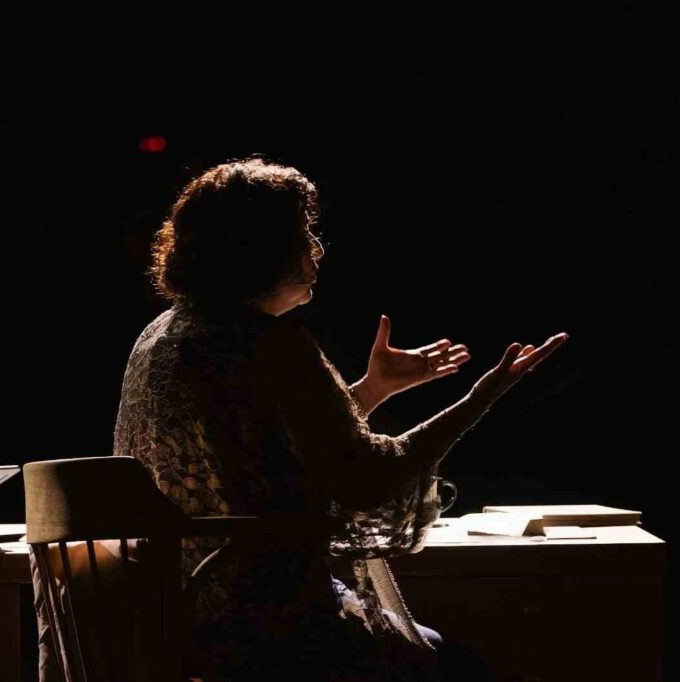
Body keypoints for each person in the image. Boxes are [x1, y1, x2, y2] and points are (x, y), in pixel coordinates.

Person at [111, 156, 568, 681]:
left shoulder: (165, 336)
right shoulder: (265, 342)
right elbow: (364, 478)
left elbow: (266, 441)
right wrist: (480, 398)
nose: (317, 249)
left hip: (173, 620)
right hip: (269, 630)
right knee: (461, 666)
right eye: (302, 233)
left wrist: (373, 389)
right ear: (263, 248)